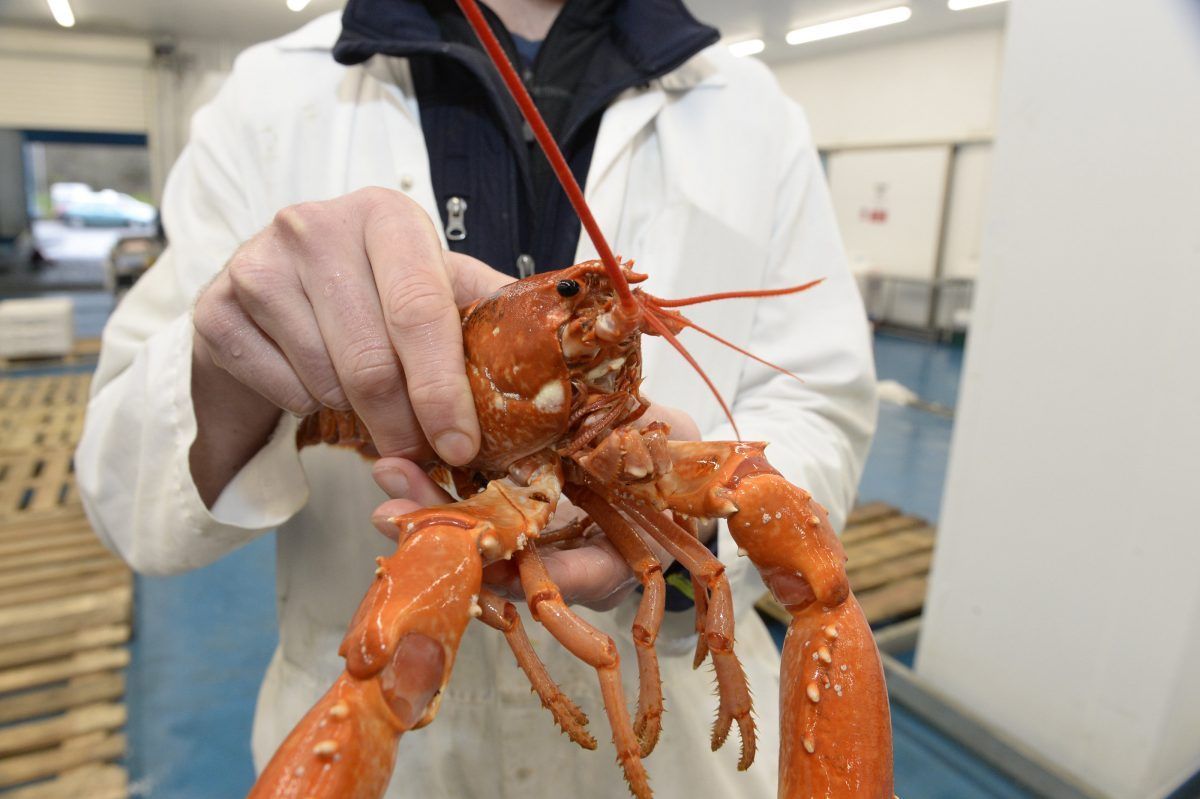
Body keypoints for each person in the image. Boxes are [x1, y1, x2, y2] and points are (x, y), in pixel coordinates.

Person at [75, 0, 877, 796]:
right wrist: (223, 361)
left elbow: (820, 402)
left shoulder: (751, 107)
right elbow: (125, 493)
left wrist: (692, 525)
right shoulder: (265, 94)